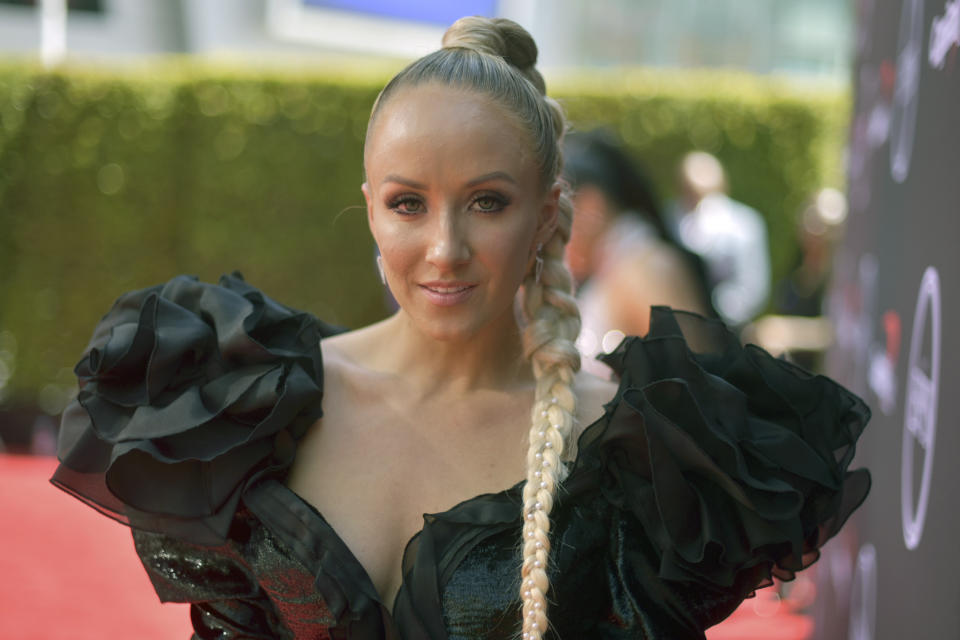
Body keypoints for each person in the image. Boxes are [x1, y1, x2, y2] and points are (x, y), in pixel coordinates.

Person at [51, 17, 871, 640]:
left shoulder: (639, 451)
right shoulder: (243, 403)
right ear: (370, 206)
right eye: (409, 203)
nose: (444, 250)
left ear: (548, 214)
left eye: (488, 202)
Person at [563, 130, 715, 377]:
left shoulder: (646, 267)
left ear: (591, 206)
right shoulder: (624, 263)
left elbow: (688, 388)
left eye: (552, 212)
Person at [670, 151, 772, 329]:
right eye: (688, 192)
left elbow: (752, 288)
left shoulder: (744, 226)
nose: (695, 200)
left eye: (701, 193)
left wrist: (709, 312)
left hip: (727, 329)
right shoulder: (670, 220)